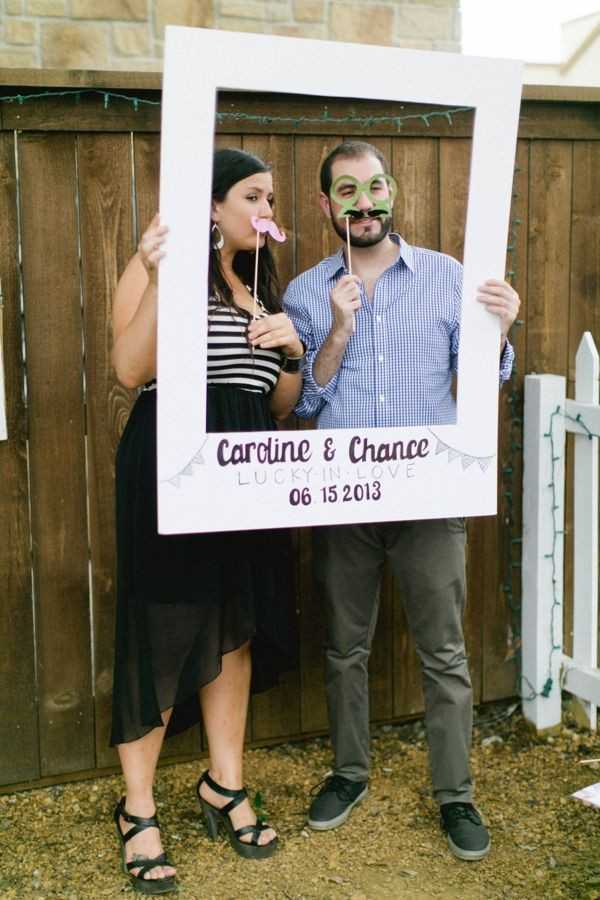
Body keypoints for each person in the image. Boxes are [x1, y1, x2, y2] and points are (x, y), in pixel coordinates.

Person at [283, 140, 520, 863]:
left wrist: (501, 333)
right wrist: (339, 330)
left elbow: (481, 379)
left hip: (430, 496)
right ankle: (349, 773)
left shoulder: (449, 277)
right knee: (343, 647)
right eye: (347, 191)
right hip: (344, 499)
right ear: (326, 204)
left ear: (392, 193)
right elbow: (303, 406)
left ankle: (455, 794)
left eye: (375, 187)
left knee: (445, 652)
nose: (364, 203)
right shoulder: (305, 292)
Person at [110, 148, 304, 894]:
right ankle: (137, 807)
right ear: (213, 207)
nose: (267, 211)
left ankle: (224, 784)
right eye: (253, 196)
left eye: (272, 200)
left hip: (247, 473)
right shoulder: (157, 266)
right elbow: (130, 370)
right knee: (164, 627)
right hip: (172, 466)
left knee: (236, 625)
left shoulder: (260, 288)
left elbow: (274, 404)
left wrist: (291, 354)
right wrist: (162, 278)